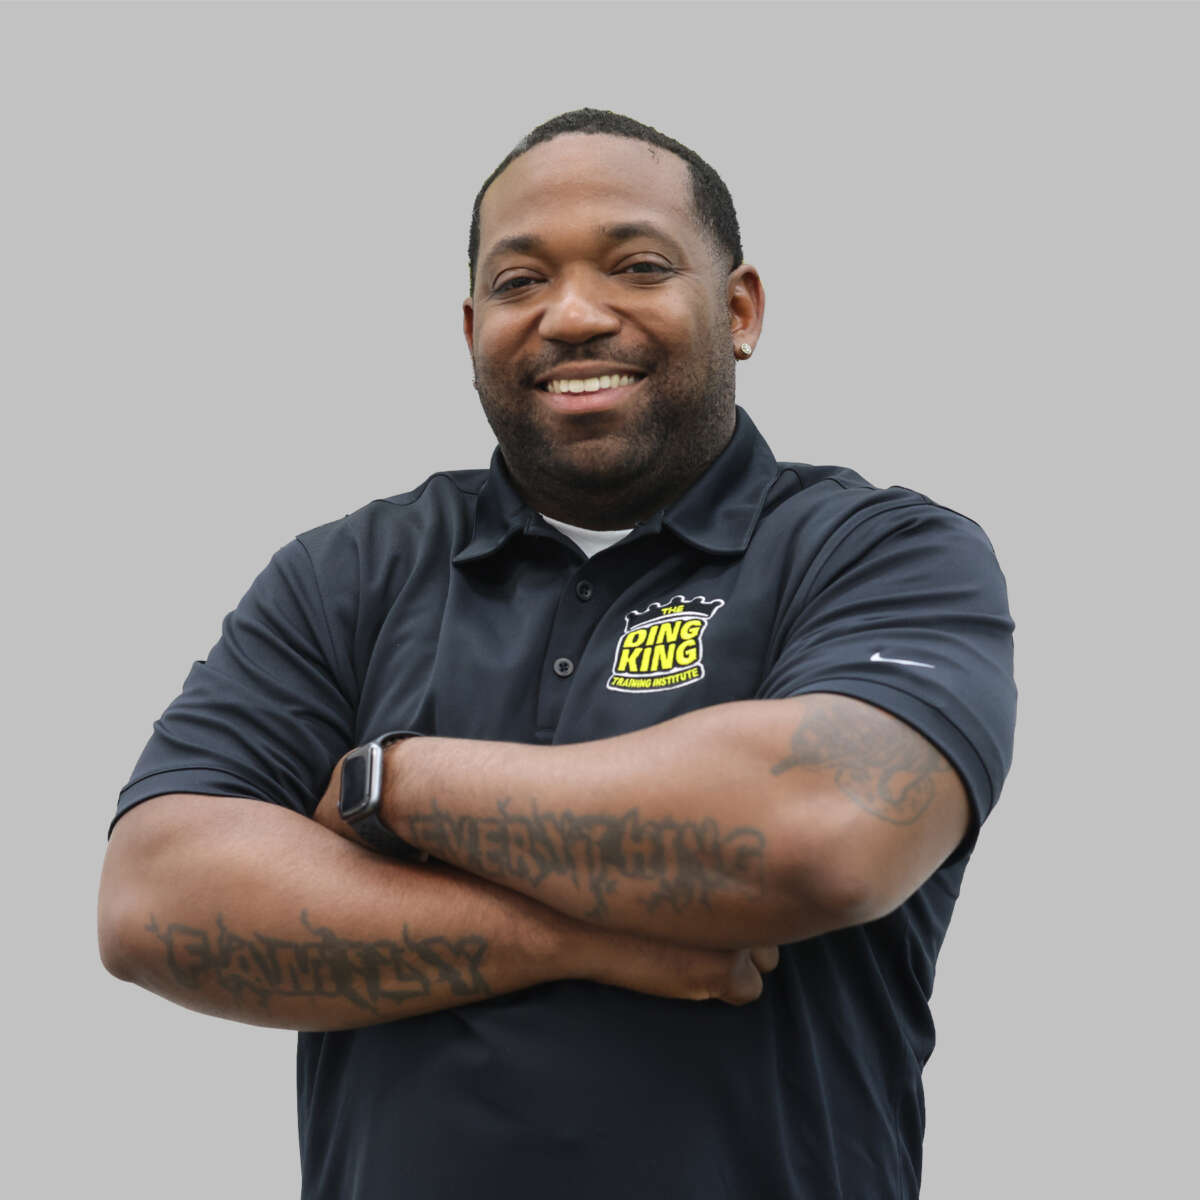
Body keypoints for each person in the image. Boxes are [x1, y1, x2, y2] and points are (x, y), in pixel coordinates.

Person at [99, 108, 1017, 1199]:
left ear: (738, 309)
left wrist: (390, 782)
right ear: (471, 325)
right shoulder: (349, 573)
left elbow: (825, 830)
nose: (573, 315)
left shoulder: (880, 550)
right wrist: (587, 942)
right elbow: (153, 898)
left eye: (636, 265)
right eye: (520, 281)